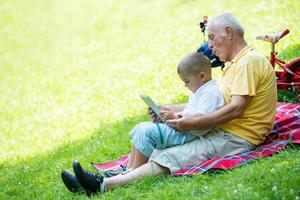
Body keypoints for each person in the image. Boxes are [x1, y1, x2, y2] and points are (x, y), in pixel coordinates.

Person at [61, 12, 277, 196]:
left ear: (228, 33)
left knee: (170, 156)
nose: (209, 45)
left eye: (212, 38)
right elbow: (212, 102)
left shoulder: (249, 62)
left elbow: (236, 109)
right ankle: (101, 177)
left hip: (237, 137)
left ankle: (100, 186)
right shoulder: (234, 65)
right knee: (158, 144)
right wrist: (169, 109)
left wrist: (190, 124)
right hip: (221, 130)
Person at [104, 52, 224, 177]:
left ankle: (132, 172)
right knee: (141, 128)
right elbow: (191, 111)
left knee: (146, 132)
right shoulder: (201, 90)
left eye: (187, 81)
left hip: (189, 133)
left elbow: (201, 119)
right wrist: (165, 114)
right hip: (183, 128)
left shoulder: (210, 93)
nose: (185, 86)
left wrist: (175, 117)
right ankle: (129, 168)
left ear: (202, 76)